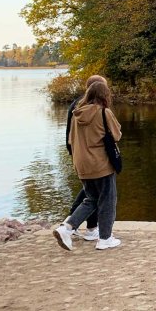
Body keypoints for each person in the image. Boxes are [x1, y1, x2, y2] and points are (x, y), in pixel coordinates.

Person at [54, 80, 122, 251]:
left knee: (90, 199)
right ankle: (105, 238)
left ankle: (67, 228)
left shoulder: (76, 114)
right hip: (100, 164)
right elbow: (117, 134)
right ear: (104, 95)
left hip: (82, 164)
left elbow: (71, 139)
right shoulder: (103, 113)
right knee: (108, 200)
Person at [62, 75, 106, 241]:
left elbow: (70, 133)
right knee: (94, 193)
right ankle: (72, 224)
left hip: (78, 153)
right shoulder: (91, 106)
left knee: (90, 191)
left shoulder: (78, 104)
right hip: (90, 156)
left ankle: (83, 225)